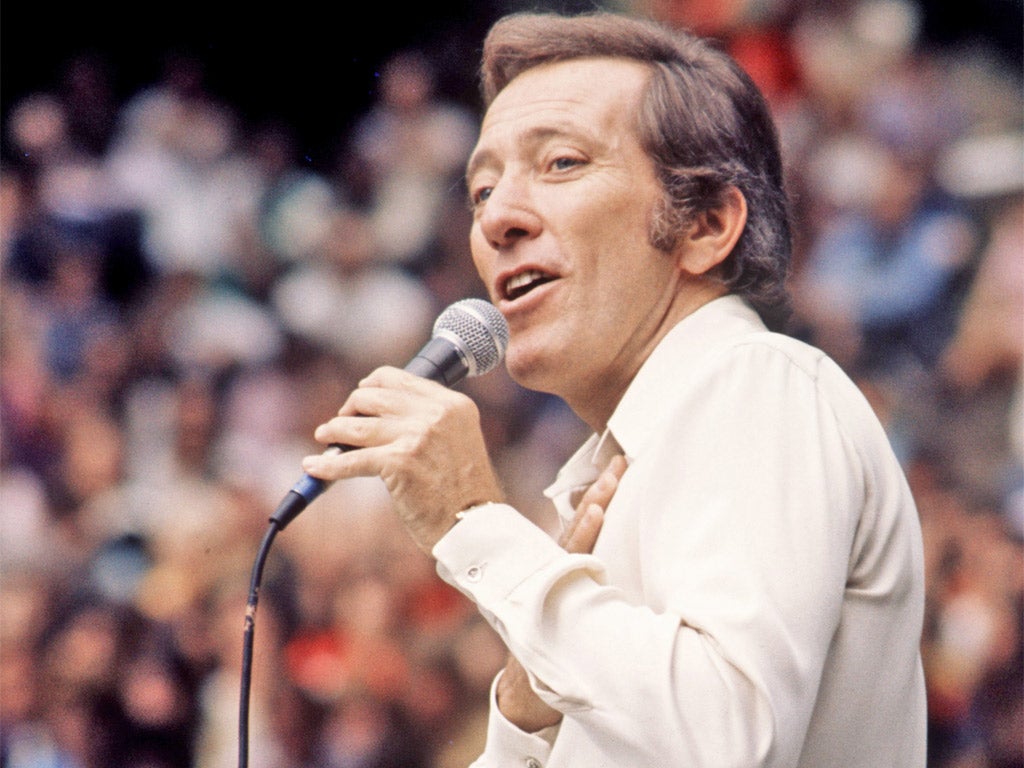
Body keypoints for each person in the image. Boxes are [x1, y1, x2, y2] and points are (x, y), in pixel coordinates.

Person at [301, 11, 927, 767]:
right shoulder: (624, 463)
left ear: (705, 224)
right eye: (482, 190)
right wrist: (530, 707)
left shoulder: (760, 381)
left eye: (561, 163)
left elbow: (728, 744)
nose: (497, 217)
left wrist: (474, 520)